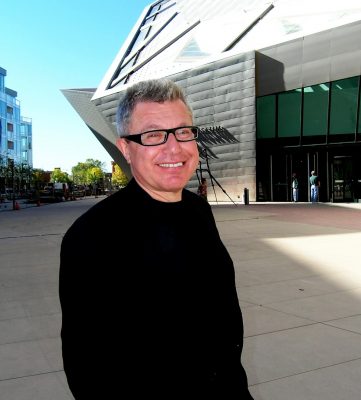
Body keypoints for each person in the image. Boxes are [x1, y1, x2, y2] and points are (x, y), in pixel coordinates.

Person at [59, 78, 254, 399]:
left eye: (183, 131)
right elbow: (86, 368)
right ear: (126, 149)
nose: (174, 147)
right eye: (153, 135)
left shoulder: (198, 211)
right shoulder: (91, 236)